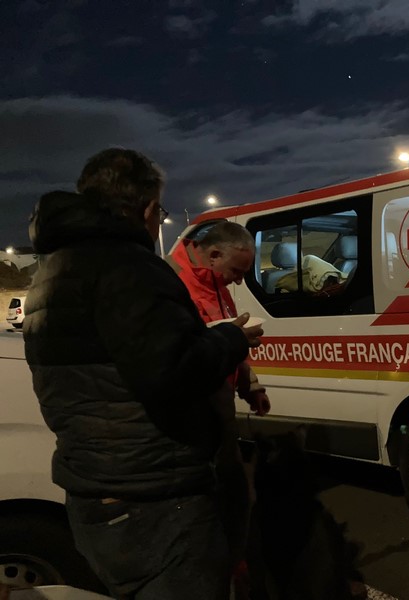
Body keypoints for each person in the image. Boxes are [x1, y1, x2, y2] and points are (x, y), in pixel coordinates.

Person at [23, 148, 263, 600]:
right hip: (156, 496)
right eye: (161, 212)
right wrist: (231, 339)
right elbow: (172, 371)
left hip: (94, 486)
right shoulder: (128, 268)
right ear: (149, 210)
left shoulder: (52, 272)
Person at [171, 221, 269, 593]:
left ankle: (234, 567)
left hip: (220, 405)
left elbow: (230, 339)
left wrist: (250, 386)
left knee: (234, 494)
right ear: (213, 255)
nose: (238, 281)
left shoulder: (216, 284)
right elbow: (180, 356)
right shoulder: (173, 285)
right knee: (212, 502)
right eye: (237, 271)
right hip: (195, 414)